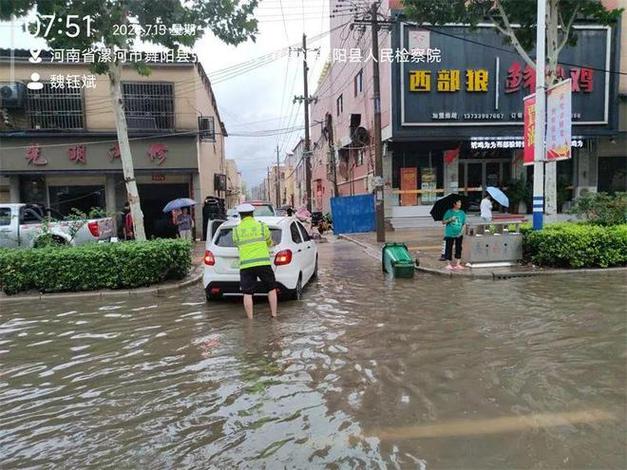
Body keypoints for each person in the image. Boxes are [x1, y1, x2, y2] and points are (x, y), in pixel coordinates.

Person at [232, 203, 278, 319]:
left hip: (246, 265)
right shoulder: (262, 226)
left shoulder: (236, 230)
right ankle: (274, 315)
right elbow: (269, 241)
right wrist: (271, 244)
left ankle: (250, 320)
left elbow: (236, 244)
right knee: (271, 288)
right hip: (263, 263)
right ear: (252, 214)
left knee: (247, 293)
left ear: (240, 215)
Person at [442, 198, 467, 270]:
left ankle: (458, 264)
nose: (460, 204)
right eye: (458, 203)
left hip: (459, 234)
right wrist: (450, 219)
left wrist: (461, 232)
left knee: (458, 248)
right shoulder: (449, 212)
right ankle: (448, 264)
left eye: (460, 203)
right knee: (448, 248)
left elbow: (464, 224)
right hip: (449, 234)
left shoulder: (462, 213)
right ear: (454, 204)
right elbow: (443, 222)